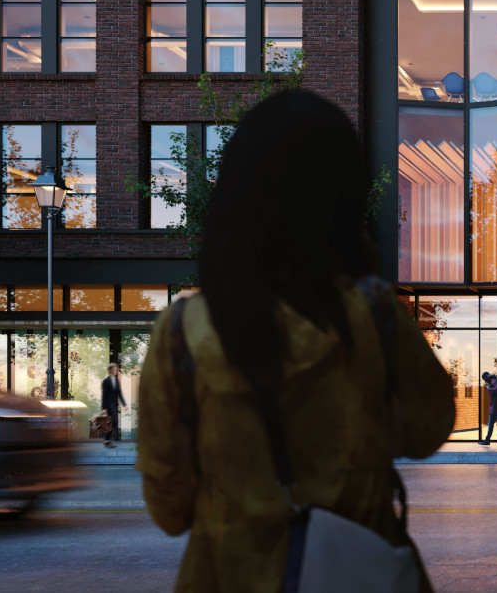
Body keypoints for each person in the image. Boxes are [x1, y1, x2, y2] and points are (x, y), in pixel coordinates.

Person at [136, 89, 456, 592]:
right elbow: (430, 428)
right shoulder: (372, 314)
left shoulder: (183, 334)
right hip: (357, 573)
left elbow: (171, 511)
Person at [100, 361, 127, 448]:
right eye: (115, 369)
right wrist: (104, 407)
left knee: (112, 423)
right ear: (111, 370)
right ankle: (107, 439)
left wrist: (124, 404)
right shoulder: (106, 381)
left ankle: (106, 440)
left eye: (117, 369)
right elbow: (104, 395)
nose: (116, 371)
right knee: (114, 422)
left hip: (114, 405)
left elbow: (119, 393)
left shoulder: (116, 380)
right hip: (108, 405)